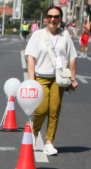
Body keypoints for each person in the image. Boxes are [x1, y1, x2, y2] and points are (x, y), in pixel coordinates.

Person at [26, 5, 78, 156]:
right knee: (42, 109)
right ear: (46, 19)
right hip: (41, 77)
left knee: (54, 110)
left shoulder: (65, 35)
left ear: (60, 19)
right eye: (50, 16)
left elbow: (72, 57)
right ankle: (34, 132)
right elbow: (31, 59)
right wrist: (32, 81)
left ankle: (49, 142)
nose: (53, 19)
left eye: (56, 17)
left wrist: (72, 78)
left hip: (58, 78)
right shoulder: (38, 35)